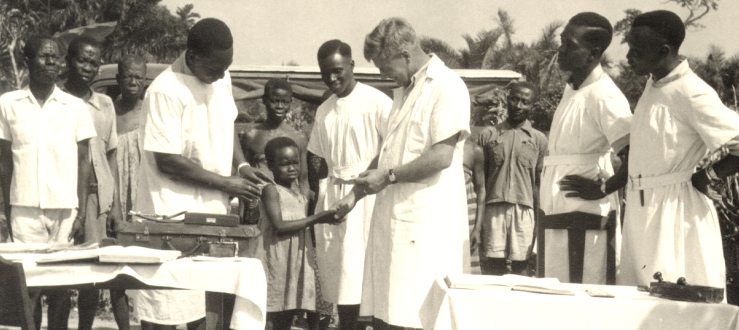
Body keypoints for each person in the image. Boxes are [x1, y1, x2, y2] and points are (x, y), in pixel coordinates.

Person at [133, 18, 271, 330]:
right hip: (168, 215)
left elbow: (228, 125)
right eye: (217, 68)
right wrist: (227, 183)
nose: (223, 75)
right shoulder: (164, 91)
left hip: (212, 214)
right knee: (164, 308)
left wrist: (243, 167)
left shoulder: (219, 77)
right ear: (193, 57)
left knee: (206, 307)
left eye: (228, 66)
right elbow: (167, 161)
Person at [335, 17, 470, 330]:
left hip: (424, 228)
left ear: (406, 55)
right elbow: (388, 156)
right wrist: (354, 195)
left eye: (385, 67)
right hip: (393, 222)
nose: (383, 75)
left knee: (417, 317)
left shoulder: (447, 88)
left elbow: (441, 156)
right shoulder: (405, 92)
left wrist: (388, 177)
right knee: (386, 314)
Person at [616, 10, 739, 288]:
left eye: (636, 50)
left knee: (671, 303)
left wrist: (707, 175)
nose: (627, 57)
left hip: (674, 214)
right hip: (640, 208)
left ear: (663, 51)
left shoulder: (692, 91)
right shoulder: (653, 84)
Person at [0, 35, 95, 330]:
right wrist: (7, 211)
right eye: (44, 56)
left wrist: (79, 212)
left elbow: (83, 162)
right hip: (24, 209)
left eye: (56, 57)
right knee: (28, 286)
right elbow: (4, 164)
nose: (51, 61)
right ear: (28, 61)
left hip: (64, 210)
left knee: (61, 287)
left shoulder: (75, 107)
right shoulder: (8, 104)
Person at [539, 12, 632, 284]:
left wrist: (603, 188)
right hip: (557, 206)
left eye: (570, 45)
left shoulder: (605, 95)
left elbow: (635, 156)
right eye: (562, 42)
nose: (561, 50)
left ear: (593, 54)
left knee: (587, 288)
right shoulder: (573, 89)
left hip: (586, 211)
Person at [308, 39, 391, 330]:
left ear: (352, 66)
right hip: (334, 196)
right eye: (325, 73)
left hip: (370, 197)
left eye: (338, 71)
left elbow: (391, 148)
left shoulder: (378, 102)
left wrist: (362, 186)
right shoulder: (324, 110)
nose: (332, 79)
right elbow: (316, 157)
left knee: (371, 272)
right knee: (342, 276)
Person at [62, 35, 129, 330]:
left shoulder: (104, 104)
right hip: (65, 195)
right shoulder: (57, 101)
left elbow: (111, 156)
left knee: (94, 274)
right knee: (60, 274)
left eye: (94, 62)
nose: (87, 67)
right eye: (82, 60)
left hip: (97, 197)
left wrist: (114, 205)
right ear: (68, 61)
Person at [259, 136, 339, 330]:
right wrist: (318, 218)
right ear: (270, 165)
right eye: (285, 164)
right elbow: (279, 225)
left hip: (295, 259)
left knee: (288, 309)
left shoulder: (299, 193)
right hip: (278, 259)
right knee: (274, 312)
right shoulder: (271, 190)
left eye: (295, 163)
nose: (292, 168)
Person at [476, 82, 547, 276]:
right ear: (507, 100)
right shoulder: (488, 135)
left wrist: (538, 223)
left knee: (522, 267)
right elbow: (479, 182)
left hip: (524, 210)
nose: (518, 106)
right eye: (515, 99)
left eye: (525, 102)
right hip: (493, 208)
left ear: (532, 106)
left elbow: (539, 183)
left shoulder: (539, 140)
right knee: (493, 266)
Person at [114, 54, 147, 222]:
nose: (133, 82)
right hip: (115, 192)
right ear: (118, 79)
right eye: (128, 76)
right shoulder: (108, 111)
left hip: (143, 193)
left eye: (138, 77)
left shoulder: (150, 113)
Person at [463, 139, 485, 275]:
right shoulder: (433, 149)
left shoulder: (473, 150)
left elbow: (481, 189)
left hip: (467, 215)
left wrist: (477, 228)